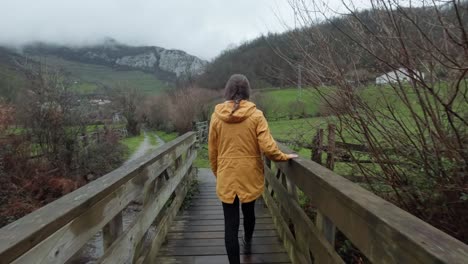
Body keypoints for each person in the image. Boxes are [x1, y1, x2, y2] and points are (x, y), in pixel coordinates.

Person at [208, 74, 298, 264]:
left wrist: (219, 173)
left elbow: (212, 152)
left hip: (227, 175)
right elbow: (268, 148)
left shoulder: (216, 118)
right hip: (249, 175)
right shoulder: (256, 116)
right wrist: (284, 157)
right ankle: (248, 240)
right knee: (249, 212)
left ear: (228, 90)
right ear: (247, 91)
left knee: (230, 225)